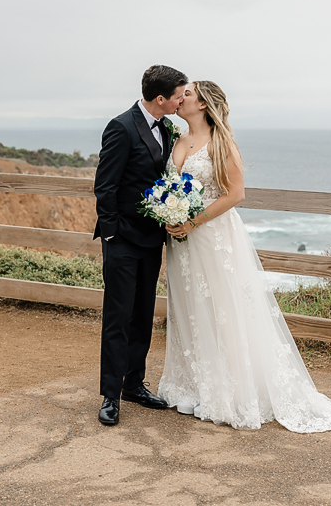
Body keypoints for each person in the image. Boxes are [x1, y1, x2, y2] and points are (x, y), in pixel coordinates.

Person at [159, 81, 331, 432]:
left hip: (212, 236)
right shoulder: (178, 140)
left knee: (223, 309)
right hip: (182, 242)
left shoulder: (221, 143)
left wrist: (193, 221)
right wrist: (170, 214)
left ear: (204, 105)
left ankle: (230, 390)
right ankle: (196, 384)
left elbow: (236, 193)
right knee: (191, 308)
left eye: (188, 95)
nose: (181, 99)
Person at [93, 64, 187, 426]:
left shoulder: (168, 127)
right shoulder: (121, 126)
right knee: (118, 317)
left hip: (152, 240)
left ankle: (134, 384)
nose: (182, 100)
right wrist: (114, 234)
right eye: (179, 95)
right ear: (161, 98)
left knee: (143, 315)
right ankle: (110, 395)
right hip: (123, 241)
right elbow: (105, 186)